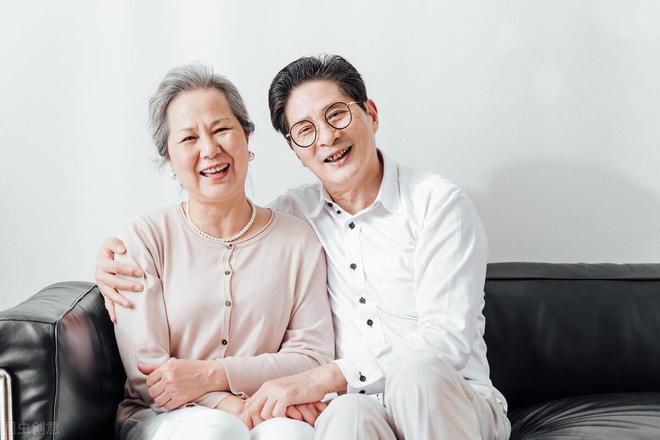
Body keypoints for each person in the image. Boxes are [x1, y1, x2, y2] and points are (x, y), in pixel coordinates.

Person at [98, 55, 511, 439]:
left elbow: (446, 339)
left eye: (337, 114)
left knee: (415, 374)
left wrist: (324, 378)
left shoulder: (437, 204)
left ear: (371, 114)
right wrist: (108, 264)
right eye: (305, 130)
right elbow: (233, 230)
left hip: (448, 397)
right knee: (346, 415)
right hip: (361, 404)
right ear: (295, 150)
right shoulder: (295, 218)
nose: (327, 137)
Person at [109, 64, 334, 440]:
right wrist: (232, 405)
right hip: (164, 415)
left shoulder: (299, 240)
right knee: (216, 430)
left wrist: (218, 378)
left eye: (221, 130)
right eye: (189, 138)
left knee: (291, 436)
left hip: (269, 409)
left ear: (246, 137)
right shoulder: (144, 237)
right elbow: (151, 374)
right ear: (169, 159)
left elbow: (312, 356)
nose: (210, 149)